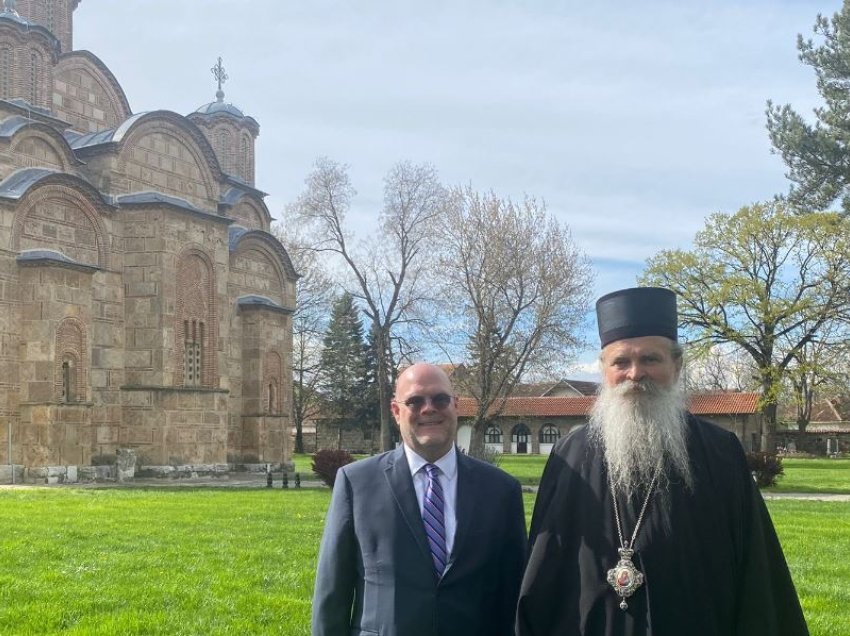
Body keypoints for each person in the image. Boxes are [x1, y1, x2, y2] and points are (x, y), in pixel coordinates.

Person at [516, 287, 808, 636]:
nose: (635, 373)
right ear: (603, 370)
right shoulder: (569, 455)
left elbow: (757, 573)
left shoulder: (720, 452)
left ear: (677, 364)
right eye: (621, 361)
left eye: (650, 359)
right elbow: (543, 572)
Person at [312, 362, 526, 636]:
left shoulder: (501, 490)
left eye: (440, 399)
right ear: (396, 411)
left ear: (456, 405)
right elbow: (332, 593)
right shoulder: (356, 483)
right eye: (414, 401)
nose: (428, 408)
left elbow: (514, 593)